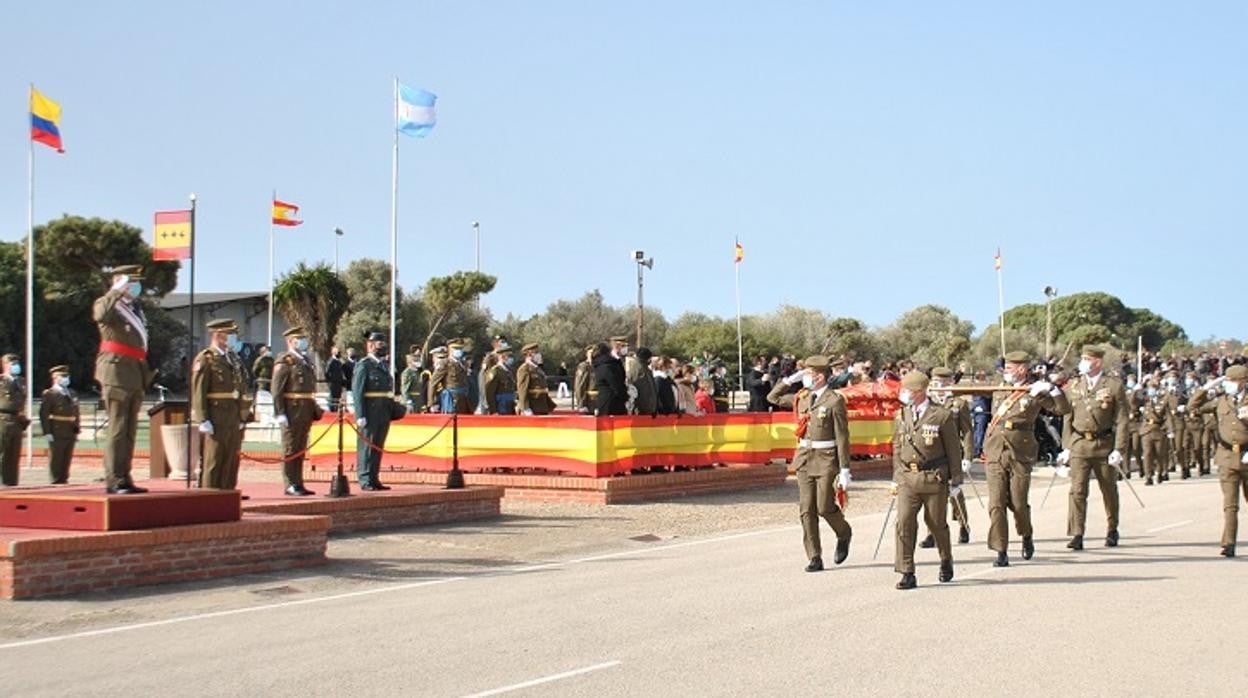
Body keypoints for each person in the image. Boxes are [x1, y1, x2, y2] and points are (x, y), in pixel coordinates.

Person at [982, 351, 1070, 567]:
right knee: (996, 503)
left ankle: (1026, 533)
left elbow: (1062, 409)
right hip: (995, 448)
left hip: (1020, 450)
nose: (1006, 372)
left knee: (1018, 502)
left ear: (1022, 369)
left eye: (1010, 368)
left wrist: (1051, 389)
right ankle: (1000, 550)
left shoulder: (1035, 389)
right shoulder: (999, 386)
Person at [767, 355, 853, 572]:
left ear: (819, 376)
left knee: (824, 507)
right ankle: (814, 556)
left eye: (807, 374)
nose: (804, 378)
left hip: (826, 458)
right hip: (805, 457)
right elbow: (772, 397)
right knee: (806, 509)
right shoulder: (802, 397)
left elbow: (842, 436)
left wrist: (844, 469)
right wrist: (788, 379)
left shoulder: (834, 400)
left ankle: (844, 533)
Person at [891, 369, 961, 589]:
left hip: (933, 478)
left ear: (919, 391)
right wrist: (895, 476)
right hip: (907, 477)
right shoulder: (902, 415)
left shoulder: (941, 415)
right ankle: (906, 571)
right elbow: (896, 447)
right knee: (904, 522)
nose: (904, 394)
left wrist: (956, 480)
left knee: (936, 523)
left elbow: (953, 450)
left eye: (907, 390)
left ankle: (945, 559)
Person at [1057, 346, 1129, 550]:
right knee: (1077, 491)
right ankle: (1077, 533)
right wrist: (1066, 447)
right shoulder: (1074, 386)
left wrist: (1119, 449)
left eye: (1087, 359)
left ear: (1098, 361)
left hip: (1104, 444)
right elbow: (1067, 418)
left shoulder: (1113, 386)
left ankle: (1112, 528)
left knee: (1108, 490)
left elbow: (1122, 420)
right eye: (1083, 358)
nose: (1084, 362)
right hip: (1080, 444)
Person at [92, 264, 153, 494]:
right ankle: (114, 479)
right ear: (119, 282)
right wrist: (115, 290)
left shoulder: (134, 309)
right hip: (116, 371)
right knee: (117, 427)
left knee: (129, 429)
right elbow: (101, 315)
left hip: (134, 372)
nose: (135, 287)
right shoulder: (108, 304)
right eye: (131, 282)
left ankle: (125, 476)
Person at [1188, 365, 1248, 557]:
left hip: (1247, 455)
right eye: (1226, 381)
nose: (1228, 384)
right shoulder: (1221, 401)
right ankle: (1228, 543)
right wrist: (1206, 388)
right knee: (1230, 504)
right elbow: (1193, 407)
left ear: (1243, 381)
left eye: (1232, 381)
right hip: (1227, 457)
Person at [192, 319, 252, 490]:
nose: (234, 339)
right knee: (214, 459)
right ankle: (210, 495)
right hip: (216, 415)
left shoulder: (232, 359)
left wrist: (242, 414)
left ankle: (228, 492)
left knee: (231, 459)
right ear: (219, 335)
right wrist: (203, 418)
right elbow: (199, 391)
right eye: (230, 335)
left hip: (233, 414)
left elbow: (240, 387)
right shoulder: (206, 359)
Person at [921, 367, 973, 547]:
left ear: (950, 383)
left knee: (955, 493)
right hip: (934, 453)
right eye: (936, 382)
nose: (939, 386)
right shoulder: (927, 403)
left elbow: (967, 432)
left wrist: (967, 456)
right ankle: (931, 533)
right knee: (933, 494)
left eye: (943, 382)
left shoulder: (959, 404)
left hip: (952, 454)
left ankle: (963, 524)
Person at [270, 327, 322, 496]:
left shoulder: (305, 360)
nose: (303, 342)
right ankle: (290, 483)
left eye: (303, 338)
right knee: (290, 447)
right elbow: (277, 389)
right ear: (290, 341)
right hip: (291, 410)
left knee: (300, 447)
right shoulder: (285, 361)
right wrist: (279, 412)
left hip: (305, 410)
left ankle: (298, 482)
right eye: (299, 339)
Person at [353, 332, 400, 490]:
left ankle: (374, 477)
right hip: (370, 411)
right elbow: (357, 391)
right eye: (380, 344)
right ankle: (365, 478)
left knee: (378, 445)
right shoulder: (364, 365)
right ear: (370, 345)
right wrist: (360, 414)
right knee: (367, 446)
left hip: (383, 411)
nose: (383, 347)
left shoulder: (383, 365)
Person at [39, 364, 79, 485]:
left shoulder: (71, 393)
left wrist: (77, 428)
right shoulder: (50, 394)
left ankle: (64, 479)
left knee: (67, 457)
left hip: (70, 429)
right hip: (57, 429)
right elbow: (44, 414)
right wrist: (47, 432)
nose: (66, 379)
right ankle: (55, 480)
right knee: (57, 457)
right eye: (63, 376)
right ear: (55, 378)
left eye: (67, 376)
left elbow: (76, 412)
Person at [1138, 378, 1174, 485]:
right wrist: (1137, 389)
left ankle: (1160, 472)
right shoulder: (1143, 400)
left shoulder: (1162, 401)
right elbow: (1131, 400)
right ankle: (1148, 476)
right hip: (1146, 430)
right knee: (1147, 454)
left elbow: (1168, 416)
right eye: (1149, 388)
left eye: (1153, 388)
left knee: (1160, 454)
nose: (1151, 390)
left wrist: (1170, 430)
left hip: (1158, 430)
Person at [0, 354, 29, 486]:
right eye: (13, 364)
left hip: (17, 420)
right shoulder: (1, 382)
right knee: (2, 454)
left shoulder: (21, 382)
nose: (16, 367)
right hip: (3, 419)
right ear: (5, 365)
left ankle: (11, 483)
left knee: (13, 455)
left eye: (17, 364)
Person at [429, 340, 473, 414]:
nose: (459, 351)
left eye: (460, 349)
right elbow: (433, 383)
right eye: (456, 349)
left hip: (464, 400)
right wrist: (432, 403)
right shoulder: (445, 363)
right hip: (451, 400)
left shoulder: (463, 364)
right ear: (450, 350)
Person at [517, 343, 555, 415]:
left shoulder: (537, 369)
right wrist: (525, 407)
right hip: (533, 405)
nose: (539, 355)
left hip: (542, 405)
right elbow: (522, 390)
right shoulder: (524, 369)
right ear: (529, 354)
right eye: (536, 353)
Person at [593, 339, 628, 416]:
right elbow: (616, 384)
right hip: (613, 403)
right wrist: (624, 396)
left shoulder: (599, 364)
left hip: (604, 401)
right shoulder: (609, 365)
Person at [484, 345, 518, 415]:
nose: (508, 358)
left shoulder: (509, 370)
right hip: (500, 406)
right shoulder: (495, 371)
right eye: (507, 356)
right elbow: (489, 392)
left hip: (510, 404)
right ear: (501, 357)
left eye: (509, 356)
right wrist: (493, 410)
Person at [626, 347, 658, 416]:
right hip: (642, 410)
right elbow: (644, 391)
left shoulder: (643, 369)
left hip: (645, 409)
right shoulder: (640, 370)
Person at [573, 345, 595, 414]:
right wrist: (582, 404)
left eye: (594, 353)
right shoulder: (584, 366)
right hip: (589, 402)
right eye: (590, 353)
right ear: (587, 354)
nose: (592, 355)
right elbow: (580, 386)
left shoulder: (598, 366)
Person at [325, 347, 345, 412]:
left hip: (339, 383)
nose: (339, 353)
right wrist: (330, 382)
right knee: (332, 398)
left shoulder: (339, 362)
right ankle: (332, 411)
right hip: (333, 383)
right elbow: (327, 372)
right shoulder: (331, 361)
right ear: (334, 353)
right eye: (337, 352)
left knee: (337, 398)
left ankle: (336, 410)